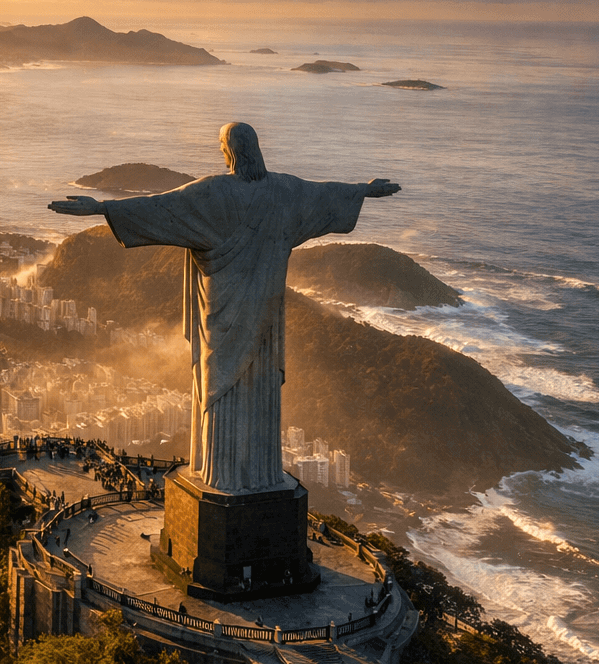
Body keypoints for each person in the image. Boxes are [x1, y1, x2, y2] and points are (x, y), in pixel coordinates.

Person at [50, 122, 399, 493]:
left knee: (220, 388)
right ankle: (259, 474)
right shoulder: (284, 191)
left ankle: (220, 472)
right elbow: (324, 195)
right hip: (264, 320)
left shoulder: (212, 193)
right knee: (256, 387)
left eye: (221, 146)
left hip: (220, 318)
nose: (220, 153)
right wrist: (364, 190)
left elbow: (162, 207)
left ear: (231, 150)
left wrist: (101, 208)